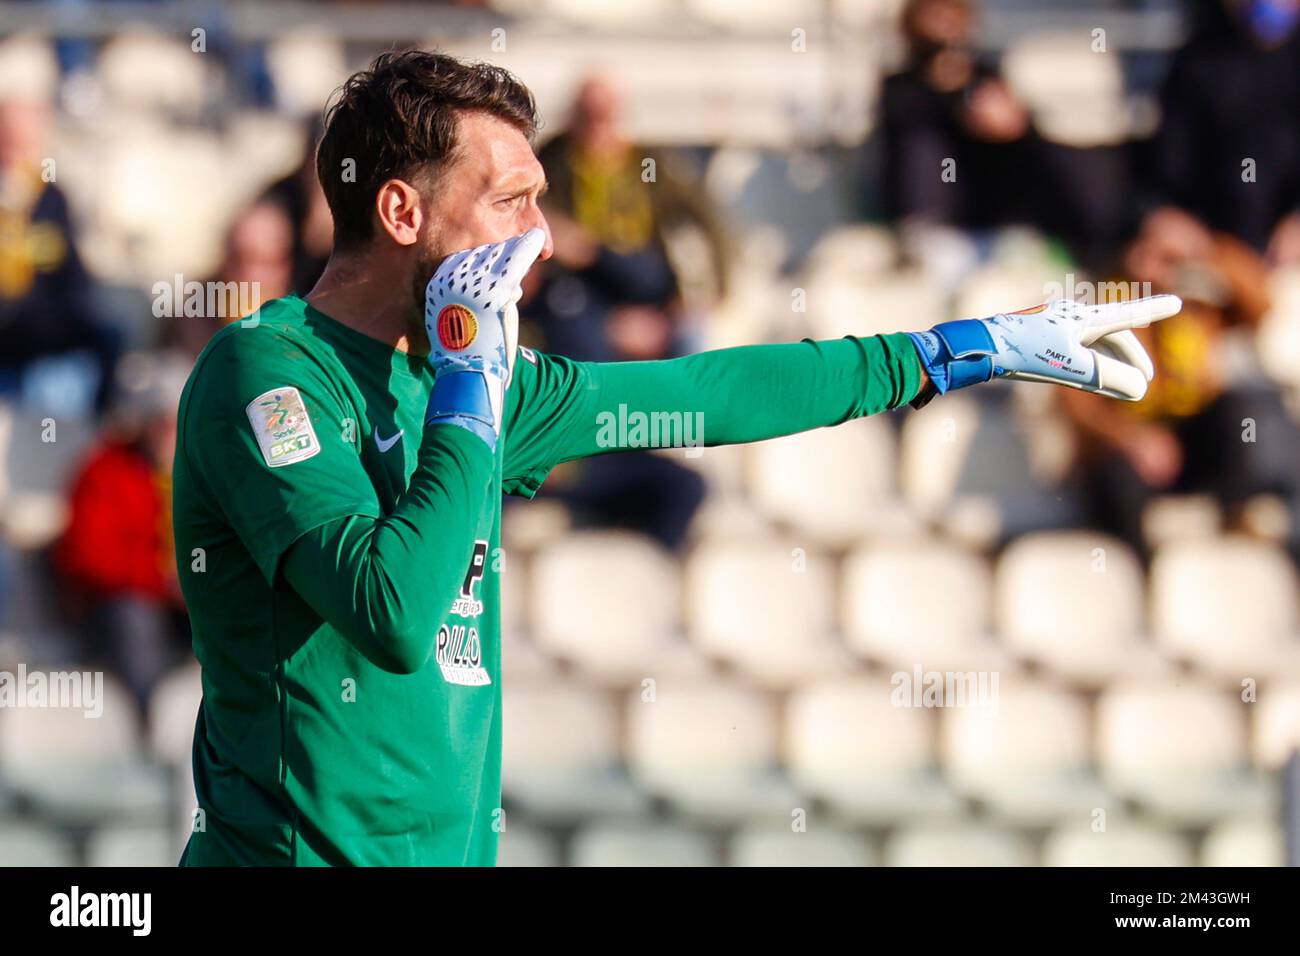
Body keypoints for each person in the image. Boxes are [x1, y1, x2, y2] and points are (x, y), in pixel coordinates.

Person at [172, 50, 1178, 867]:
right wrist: (471, 383)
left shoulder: (476, 378)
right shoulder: (267, 372)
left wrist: (970, 348)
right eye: (513, 201)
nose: (544, 239)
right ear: (402, 214)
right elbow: (392, 610)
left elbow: (713, 393)